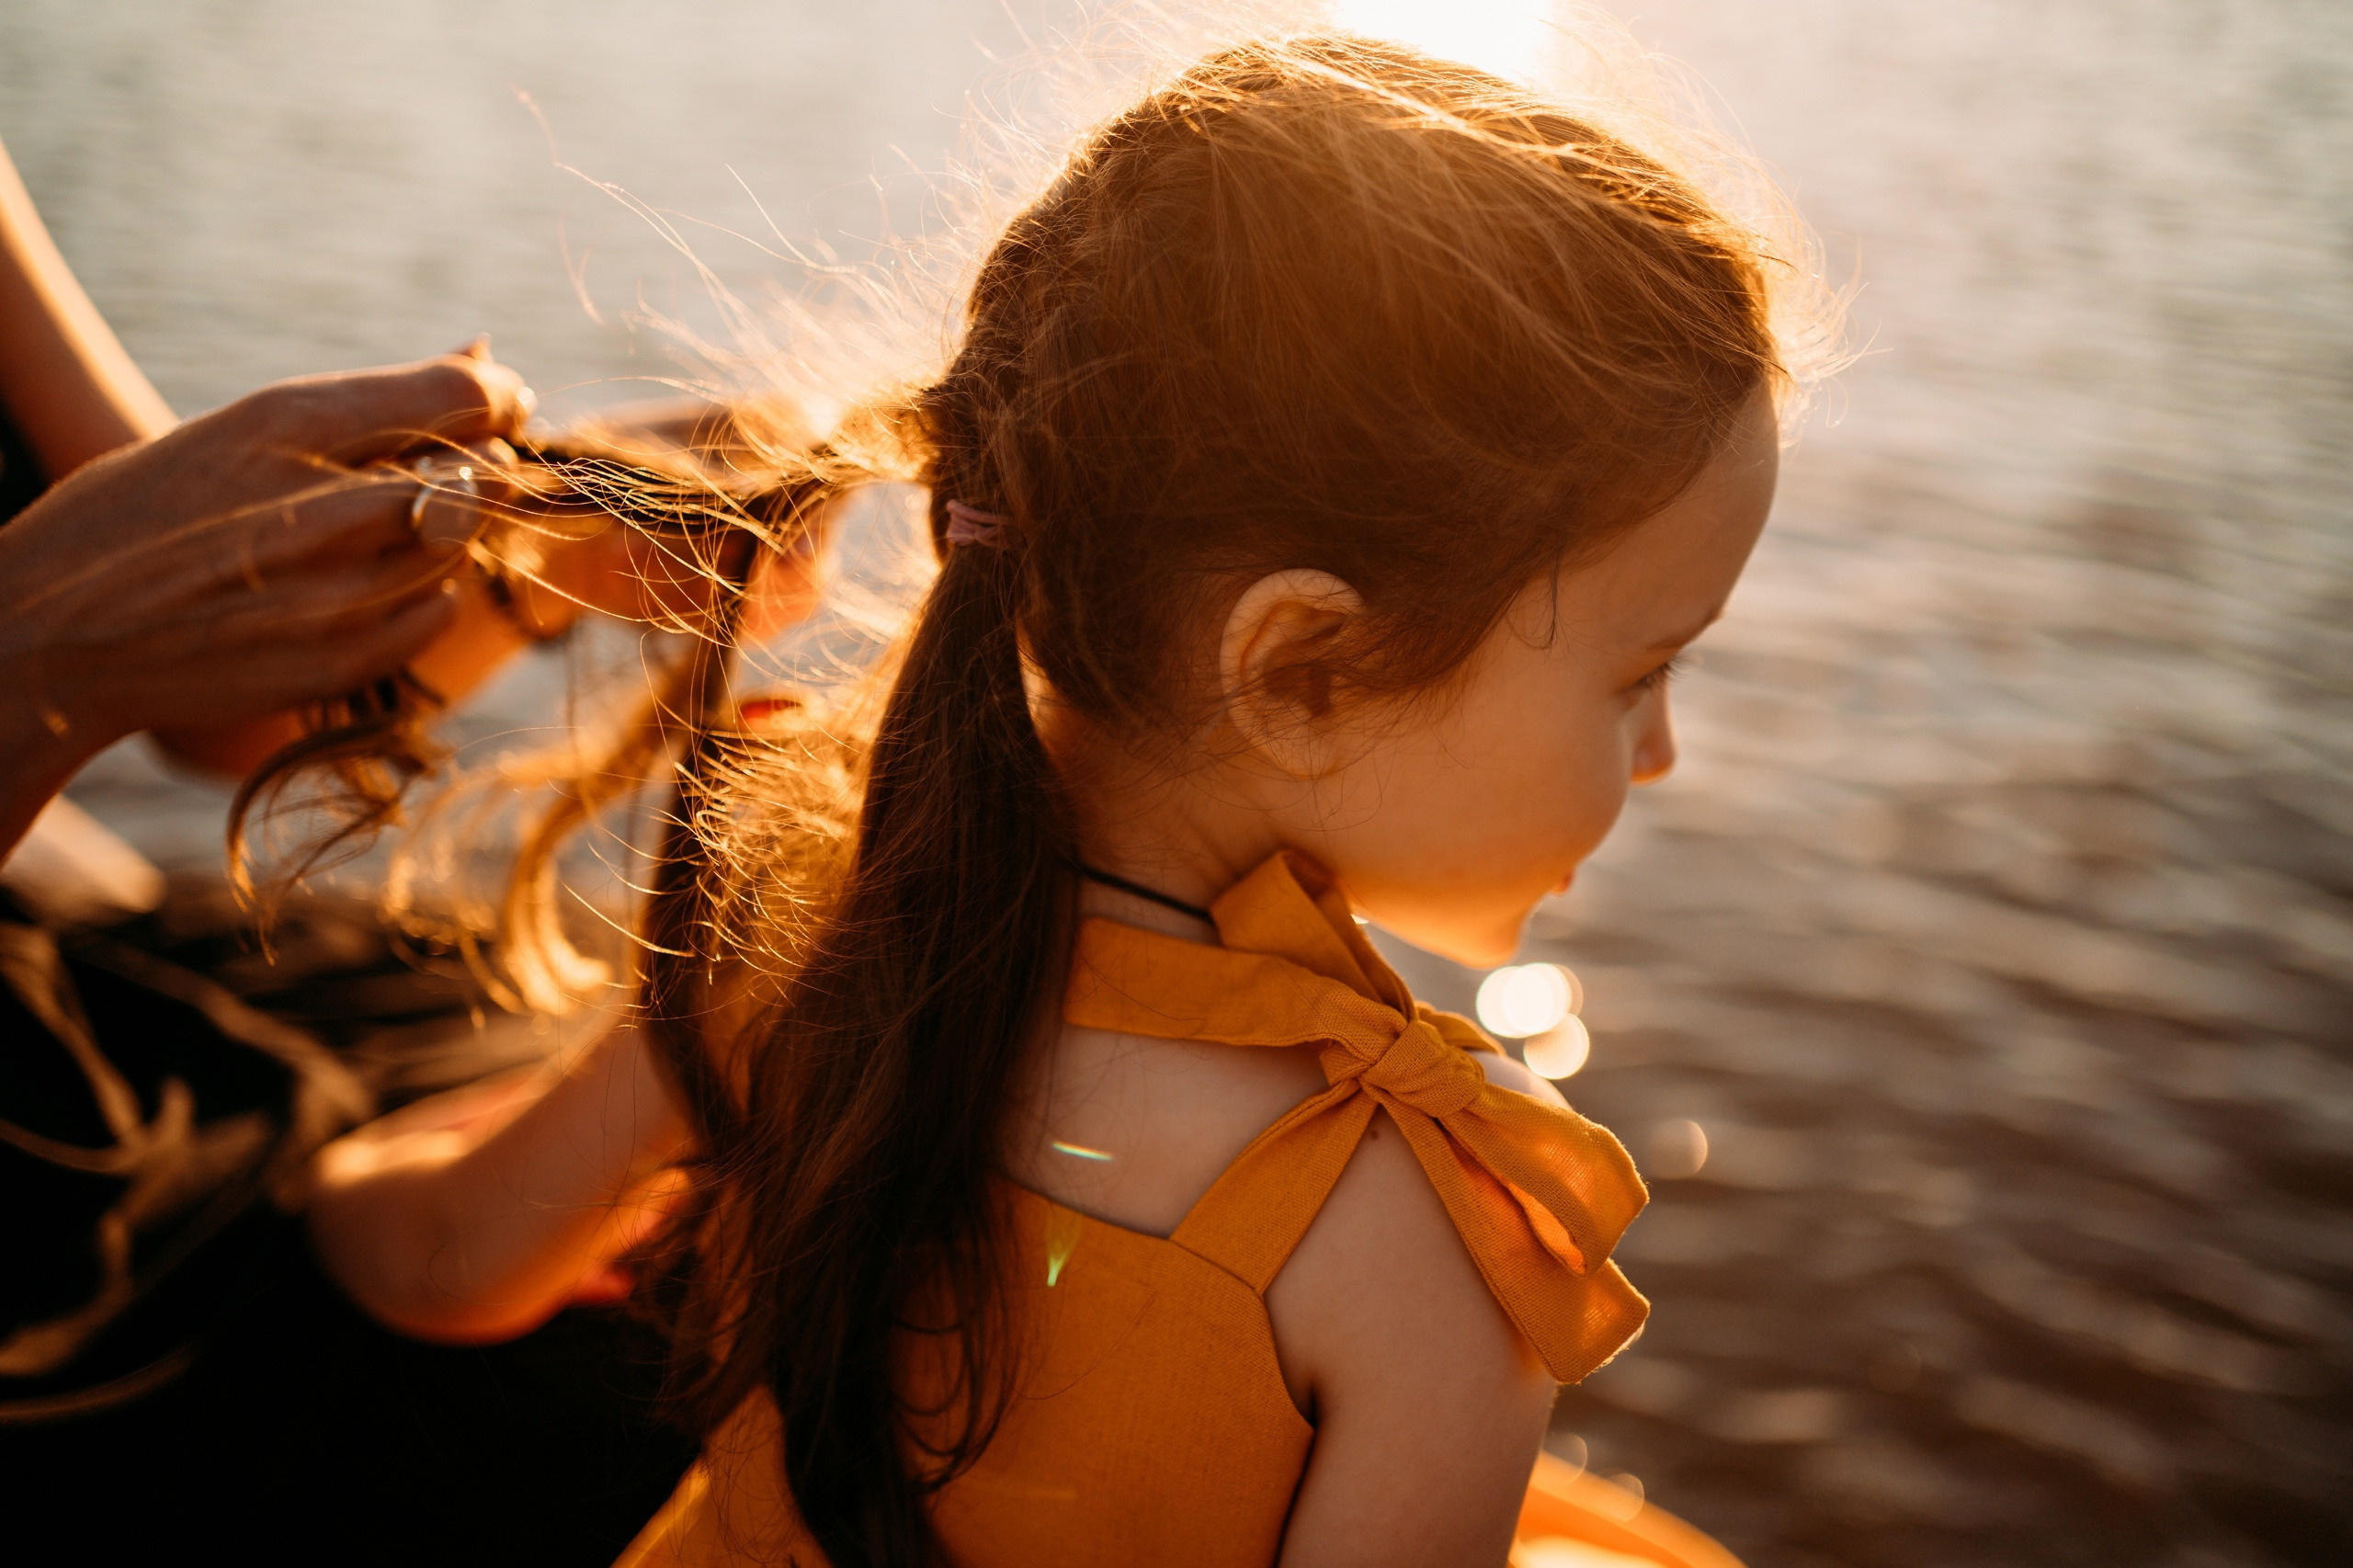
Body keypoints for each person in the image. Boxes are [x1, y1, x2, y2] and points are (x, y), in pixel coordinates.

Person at [296, 33, 1822, 1568]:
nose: (1664, 752)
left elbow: (435, 1261)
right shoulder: (1435, 1254)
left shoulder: (806, 942)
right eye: (1642, 675)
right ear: (1299, 672)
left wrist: (339, 1161)